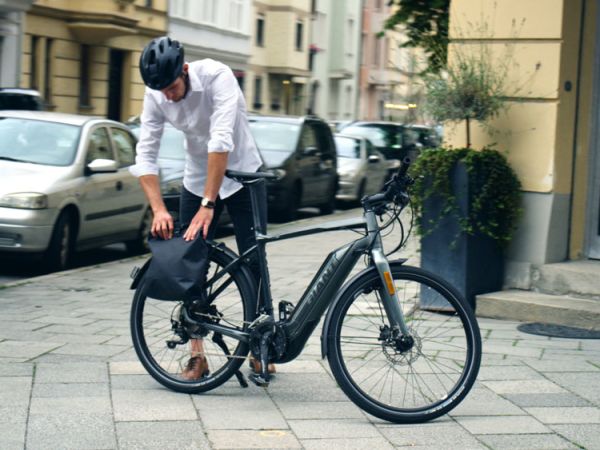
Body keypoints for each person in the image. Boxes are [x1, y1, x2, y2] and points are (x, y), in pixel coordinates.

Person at [131, 36, 273, 380]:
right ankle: (197, 355)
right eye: (159, 89)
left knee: (254, 261)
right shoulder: (156, 93)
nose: (166, 95)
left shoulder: (217, 76)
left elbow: (220, 139)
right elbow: (145, 153)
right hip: (197, 177)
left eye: (171, 86)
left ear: (184, 70)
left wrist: (210, 204)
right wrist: (158, 209)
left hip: (242, 175)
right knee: (190, 261)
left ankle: (261, 346)